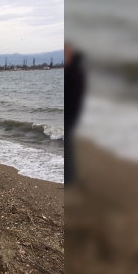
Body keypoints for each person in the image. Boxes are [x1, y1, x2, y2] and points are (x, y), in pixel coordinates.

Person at [64, 42, 86, 186]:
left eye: (66, 52)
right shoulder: (72, 70)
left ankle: (69, 177)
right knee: (69, 146)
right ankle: (69, 176)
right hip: (70, 114)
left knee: (69, 146)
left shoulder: (75, 71)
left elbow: (75, 97)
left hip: (71, 114)